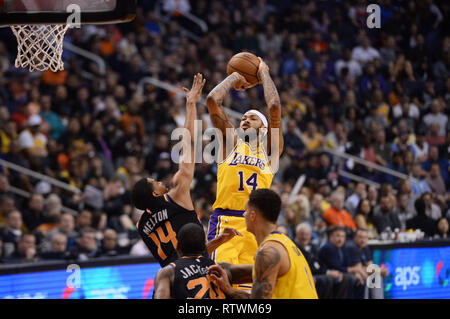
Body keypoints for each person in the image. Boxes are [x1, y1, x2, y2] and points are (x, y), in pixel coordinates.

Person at [132, 74, 240, 267]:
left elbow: (178, 259)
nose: (160, 182)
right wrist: (191, 104)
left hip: (171, 279)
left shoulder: (141, 227)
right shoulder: (177, 194)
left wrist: (220, 240)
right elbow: (188, 144)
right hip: (196, 276)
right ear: (155, 193)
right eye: (154, 183)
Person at [205, 58, 283, 278]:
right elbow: (212, 100)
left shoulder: (269, 152)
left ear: (265, 128)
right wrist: (235, 77)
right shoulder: (229, 145)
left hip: (257, 226)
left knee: (251, 291)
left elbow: (275, 106)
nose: (245, 120)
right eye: (244, 118)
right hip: (225, 222)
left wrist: (263, 72)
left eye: (253, 119)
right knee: (219, 282)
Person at [208, 189, 318, 299]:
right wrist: (225, 269)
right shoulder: (284, 242)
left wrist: (229, 289)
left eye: (246, 210)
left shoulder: (268, 252)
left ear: (252, 216)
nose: (243, 214)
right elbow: (251, 271)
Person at [154, 223, 251, 299]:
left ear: (178, 248)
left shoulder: (168, 273)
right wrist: (230, 290)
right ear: (204, 247)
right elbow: (263, 271)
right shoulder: (222, 268)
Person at [294, 223, 352, 299]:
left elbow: (319, 263)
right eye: (302, 234)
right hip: (304, 276)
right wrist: (327, 272)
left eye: (307, 234)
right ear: (296, 235)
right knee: (327, 279)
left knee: (343, 278)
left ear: (310, 235)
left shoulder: (313, 246)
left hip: (318, 273)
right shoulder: (294, 247)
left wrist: (327, 271)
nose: (304, 237)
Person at [317, 226, 365, 299]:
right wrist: (355, 270)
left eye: (343, 236)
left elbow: (348, 264)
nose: (340, 239)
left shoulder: (342, 247)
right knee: (348, 278)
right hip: (328, 273)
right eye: (338, 236)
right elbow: (338, 268)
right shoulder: (327, 248)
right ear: (331, 236)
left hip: (339, 274)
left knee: (360, 278)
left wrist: (356, 273)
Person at [346, 228, 388, 299]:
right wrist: (380, 270)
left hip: (361, 273)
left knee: (375, 275)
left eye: (365, 238)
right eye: (360, 237)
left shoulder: (365, 247)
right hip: (350, 273)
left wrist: (378, 270)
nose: (363, 240)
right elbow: (359, 269)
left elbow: (370, 266)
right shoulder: (351, 247)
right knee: (372, 275)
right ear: (354, 238)